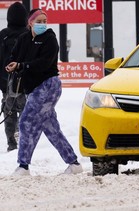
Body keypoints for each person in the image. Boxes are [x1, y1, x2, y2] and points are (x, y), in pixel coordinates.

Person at [5, 8, 83, 176]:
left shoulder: (50, 39)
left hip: (48, 86)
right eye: (38, 21)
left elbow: (44, 63)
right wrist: (12, 64)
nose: (42, 24)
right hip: (31, 88)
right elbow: (14, 57)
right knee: (50, 127)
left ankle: (23, 166)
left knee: (26, 121)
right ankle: (74, 163)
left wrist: (22, 65)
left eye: (44, 21)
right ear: (30, 22)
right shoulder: (23, 39)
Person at [0, 2, 28, 152]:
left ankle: (12, 144)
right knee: (25, 112)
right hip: (25, 84)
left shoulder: (3, 35)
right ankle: (23, 141)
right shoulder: (28, 33)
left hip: (7, 83)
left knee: (8, 113)